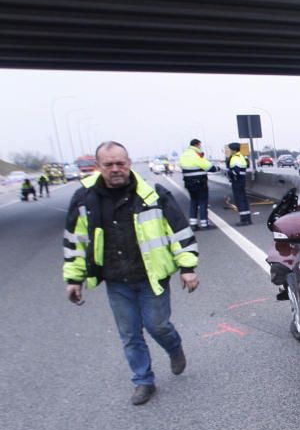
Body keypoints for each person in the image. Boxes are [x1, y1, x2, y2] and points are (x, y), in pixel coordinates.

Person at [63, 141, 199, 406]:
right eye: (109, 165)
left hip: (152, 276)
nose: (116, 169)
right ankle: (143, 381)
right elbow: (75, 241)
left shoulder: (153, 194)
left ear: (129, 162)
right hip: (116, 280)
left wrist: (188, 268)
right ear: (98, 166)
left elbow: (179, 232)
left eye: (120, 163)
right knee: (129, 334)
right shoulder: (85, 198)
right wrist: (73, 278)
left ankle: (174, 347)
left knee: (158, 325)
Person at [179, 138, 219, 231]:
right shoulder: (196, 154)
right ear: (197, 145)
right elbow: (208, 167)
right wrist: (216, 168)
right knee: (203, 202)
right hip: (199, 183)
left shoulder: (184, 154)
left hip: (188, 183)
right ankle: (204, 224)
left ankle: (193, 224)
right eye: (200, 145)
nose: (201, 147)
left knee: (193, 202)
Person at [227, 142, 251, 226]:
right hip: (241, 180)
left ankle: (244, 220)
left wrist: (229, 172)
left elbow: (235, 172)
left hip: (237, 181)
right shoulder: (241, 156)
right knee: (243, 199)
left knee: (239, 200)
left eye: (230, 149)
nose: (229, 151)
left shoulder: (235, 158)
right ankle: (248, 218)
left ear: (233, 150)